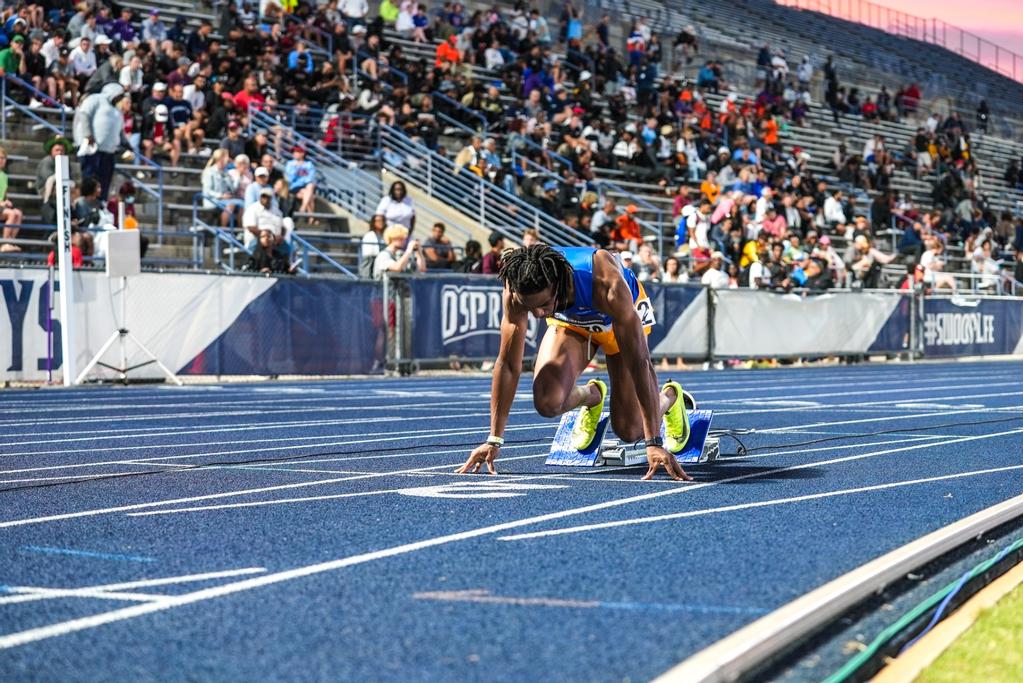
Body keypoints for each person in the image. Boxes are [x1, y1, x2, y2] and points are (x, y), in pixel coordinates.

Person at [456, 245, 693, 481]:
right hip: (572, 324)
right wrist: (494, 439)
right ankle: (593, 396)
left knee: (630, 430)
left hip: (615, 321)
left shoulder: (605, 283)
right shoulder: (516, 287)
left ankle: (670, 398)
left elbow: (640, 362)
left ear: (558, 284)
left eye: (543, 304)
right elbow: (508, 364)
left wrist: (653, 442)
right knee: (547, 402)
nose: (538, 315)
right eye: (531, 307)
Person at [0, 147, 23, 252]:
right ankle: (4, 243)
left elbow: (4, 195)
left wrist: (6, 201)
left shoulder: (4, 176)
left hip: (1, 207)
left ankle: (11, 241)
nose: (2, 160)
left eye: (3, 158)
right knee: (12, 214)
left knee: (18, 213)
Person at [284, 146, 317, 219]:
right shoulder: (290, 164)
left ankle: (303, 208)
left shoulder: (309, 164)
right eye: (294, 152)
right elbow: (289, 178)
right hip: (294, 187)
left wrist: (302, 180)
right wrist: (296, 169)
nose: (295, 154)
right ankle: (311, 217)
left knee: (309, 187)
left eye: (297, 152)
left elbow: (311, 178)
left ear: (303, 154)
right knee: (309, 194)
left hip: (305, 187)